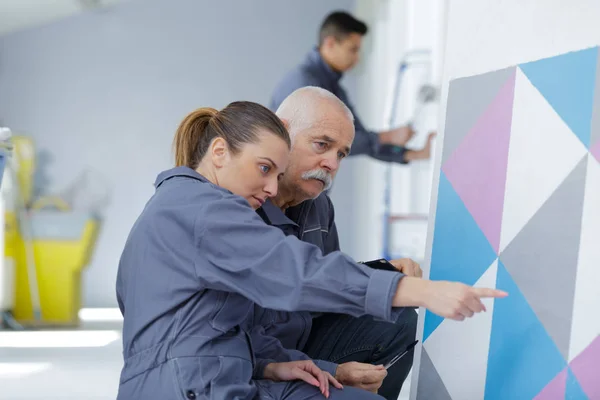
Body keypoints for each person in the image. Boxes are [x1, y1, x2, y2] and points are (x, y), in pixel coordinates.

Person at [116, 101, 506, 400]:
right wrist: (423, 290)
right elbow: (295, 273)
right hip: (189, 386)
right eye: (264, 168)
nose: (270, 188)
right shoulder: (203, 210)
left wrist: (276, 366)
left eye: (342, 153)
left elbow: (219, 325)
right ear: (219, 152)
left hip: (216, 373)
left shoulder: (184, 204)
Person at [256, 87, 420, 399]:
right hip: (258, 362)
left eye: (341, 153)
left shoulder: (319, 206)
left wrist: (378, 273)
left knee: (397, 317)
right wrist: (329, 370)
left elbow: (325, 287)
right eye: (322, 144)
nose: (332, 163)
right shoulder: (242, 207)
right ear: (281, 132)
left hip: (299, 339)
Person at [269, 11, 435, 164]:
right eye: (353, 50)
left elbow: (359, 139)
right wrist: (387, 136)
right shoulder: (305, 84)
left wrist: (416, 154)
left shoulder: (333, 89)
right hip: (289, 192)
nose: (357, 59)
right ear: (330, 43)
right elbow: (334, 141)